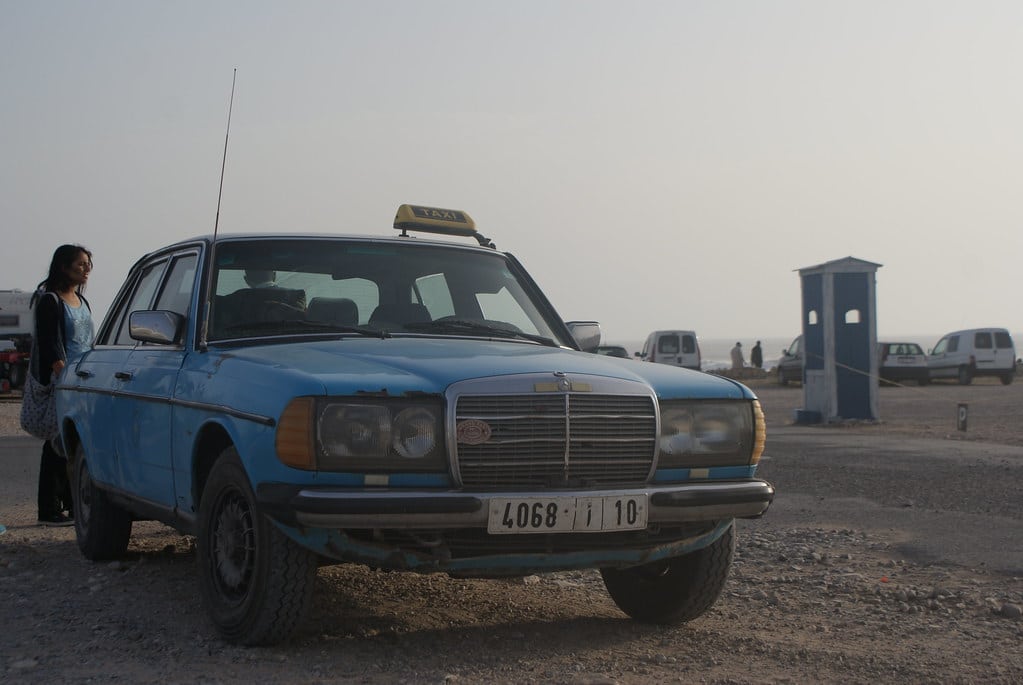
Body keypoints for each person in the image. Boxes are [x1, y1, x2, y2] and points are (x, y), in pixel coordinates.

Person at [30, 244, 94, 526]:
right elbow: (50, 346)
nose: (86, 269)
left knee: (74, 441)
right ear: (64, 267)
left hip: (83, 379)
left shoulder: (82, 301)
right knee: (56, 444)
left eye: (88, 264)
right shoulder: (50, 301)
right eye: (81, 264)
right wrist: (64, 376)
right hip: (63, 381)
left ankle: (71, 504)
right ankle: (49, 509)